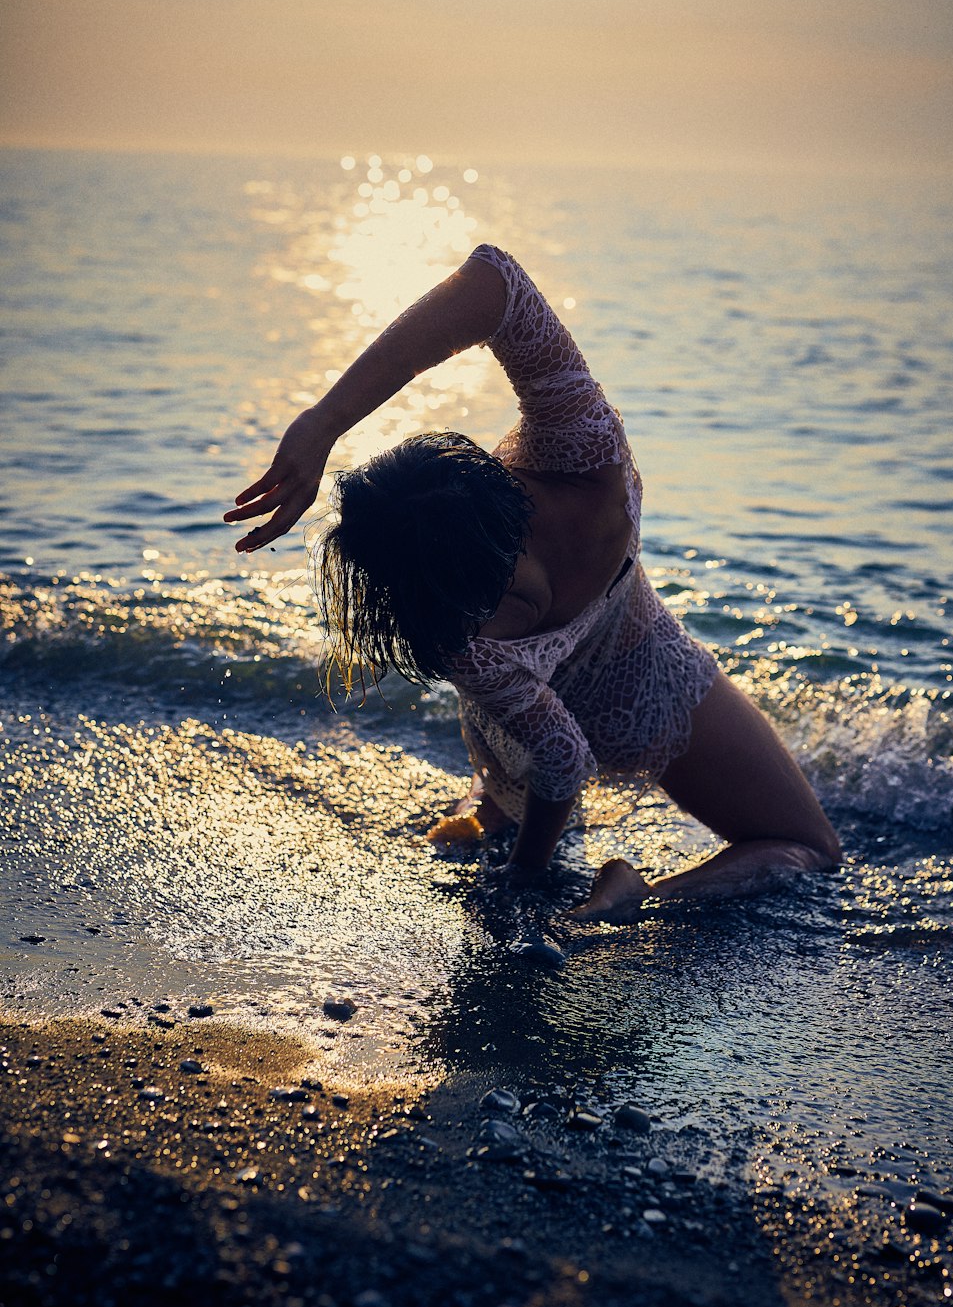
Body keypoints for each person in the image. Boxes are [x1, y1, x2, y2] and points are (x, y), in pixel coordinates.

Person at [225, 245, 840, 921]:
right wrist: (324, 423)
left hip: (538, 717)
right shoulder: (580, 446)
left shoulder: (457, 623)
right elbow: (495, 282)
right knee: (802, 844)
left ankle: (487, 821)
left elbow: (559, 759)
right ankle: (635, 900)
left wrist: (528, 873)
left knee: (508, 802)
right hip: (646, 679)